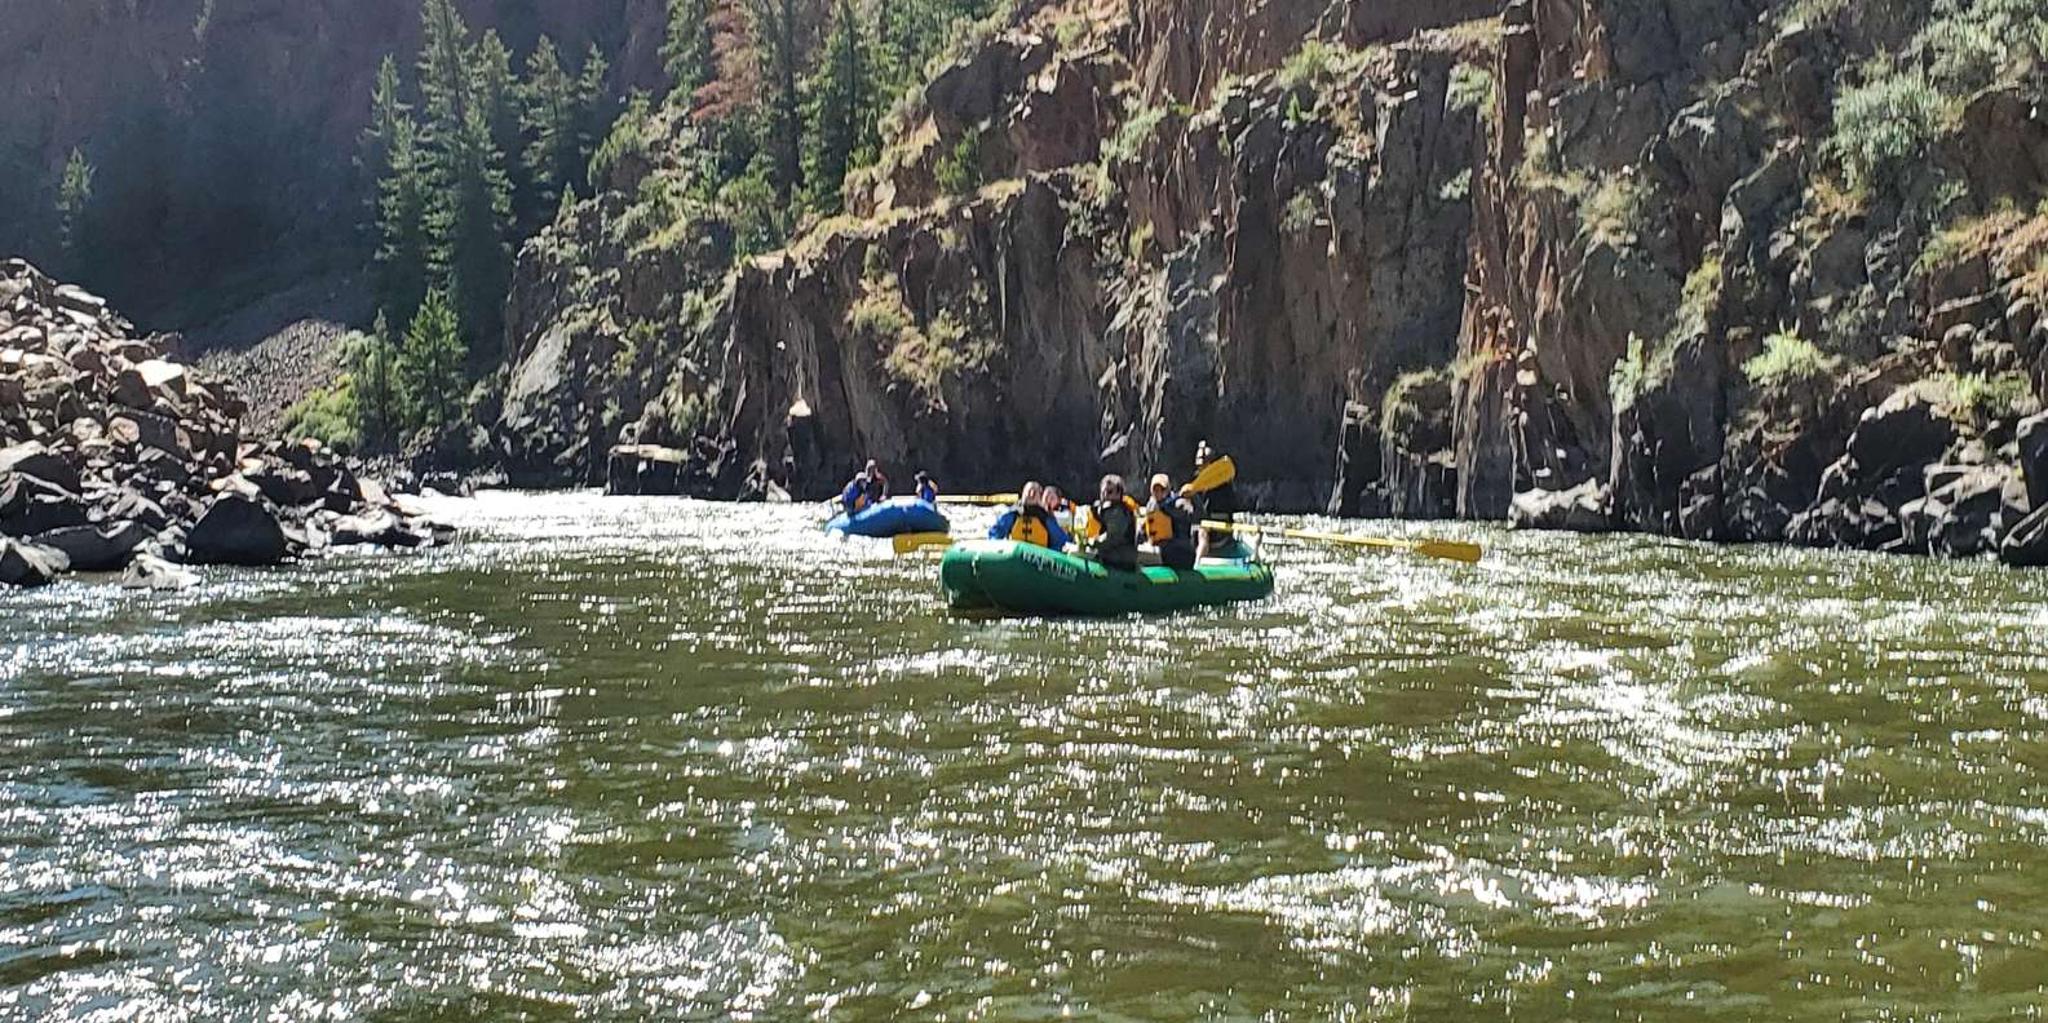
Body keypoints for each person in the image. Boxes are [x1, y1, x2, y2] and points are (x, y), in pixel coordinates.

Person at [1187, 440, 1238, 559]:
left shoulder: (1223, 485)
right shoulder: (1195, 483)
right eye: (1199, 465)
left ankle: (1197, 565)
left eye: (1204, 464)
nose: (1201, 467)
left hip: (1218, 531)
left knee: (1203, 532)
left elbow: (1231, 508)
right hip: (1200, 526)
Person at [989, 481, 1071, 549]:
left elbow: (1062, 542)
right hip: (1016, 561)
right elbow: (995, 534)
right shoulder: (1013, 517)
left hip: (1039, 561)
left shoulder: (1046, 520)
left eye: (1035, 492)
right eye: (1029, 491)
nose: (1031, 494)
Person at [1142, 473, 1199, 569]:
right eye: (1155, 489)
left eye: (1162, 489)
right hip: (1160, 549)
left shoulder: (1179, 503)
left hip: (1180, 551)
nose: (1158, 492)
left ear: (1168, 489)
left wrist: (1193, 497)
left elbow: (1192, 514)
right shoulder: (1151, 505)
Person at [1088, 474, 1140, 571]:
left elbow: (1112, 537)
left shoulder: (1119, 512)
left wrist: (1092, 542)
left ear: (1119, 494)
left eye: (1110, 492)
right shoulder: (1104, 510)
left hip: (1120, 563)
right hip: (1109, 558)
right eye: (1103, 492)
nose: (1105, 495)